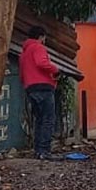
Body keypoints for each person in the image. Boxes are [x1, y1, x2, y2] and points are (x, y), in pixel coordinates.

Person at [20, 25, 60, 160]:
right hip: (43, 87)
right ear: (41, 37)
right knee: (48, 119)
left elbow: (22, 74)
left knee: (39, 120)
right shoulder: (38, 47)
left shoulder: (24, 52)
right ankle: (44, 151)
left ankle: (38, 150)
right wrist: (55, 70)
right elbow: (42, 63)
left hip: (30, 88)